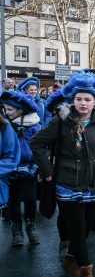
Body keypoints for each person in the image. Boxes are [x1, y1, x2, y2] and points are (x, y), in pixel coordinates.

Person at [31, 72, 95, 277]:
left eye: (87, 99)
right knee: (78, 228)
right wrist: (48, 171)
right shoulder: (60, 121)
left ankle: (71, 259)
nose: (83, 103)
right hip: (67, 182)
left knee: (88, 224)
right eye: (79, 99)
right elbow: (36, 143)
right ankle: (87, 273)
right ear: (73, 100)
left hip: (92, 183)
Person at [2, 91, 42, 247]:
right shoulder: (4, 125)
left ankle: (31, 227)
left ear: (20, 110)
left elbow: (40, 147)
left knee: (30, 199)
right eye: (4, 109)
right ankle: (16, 231)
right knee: (13, 200)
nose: (6, 112)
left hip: (29, 168)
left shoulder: (34, 125)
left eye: (10, 109)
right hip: (9, 169)